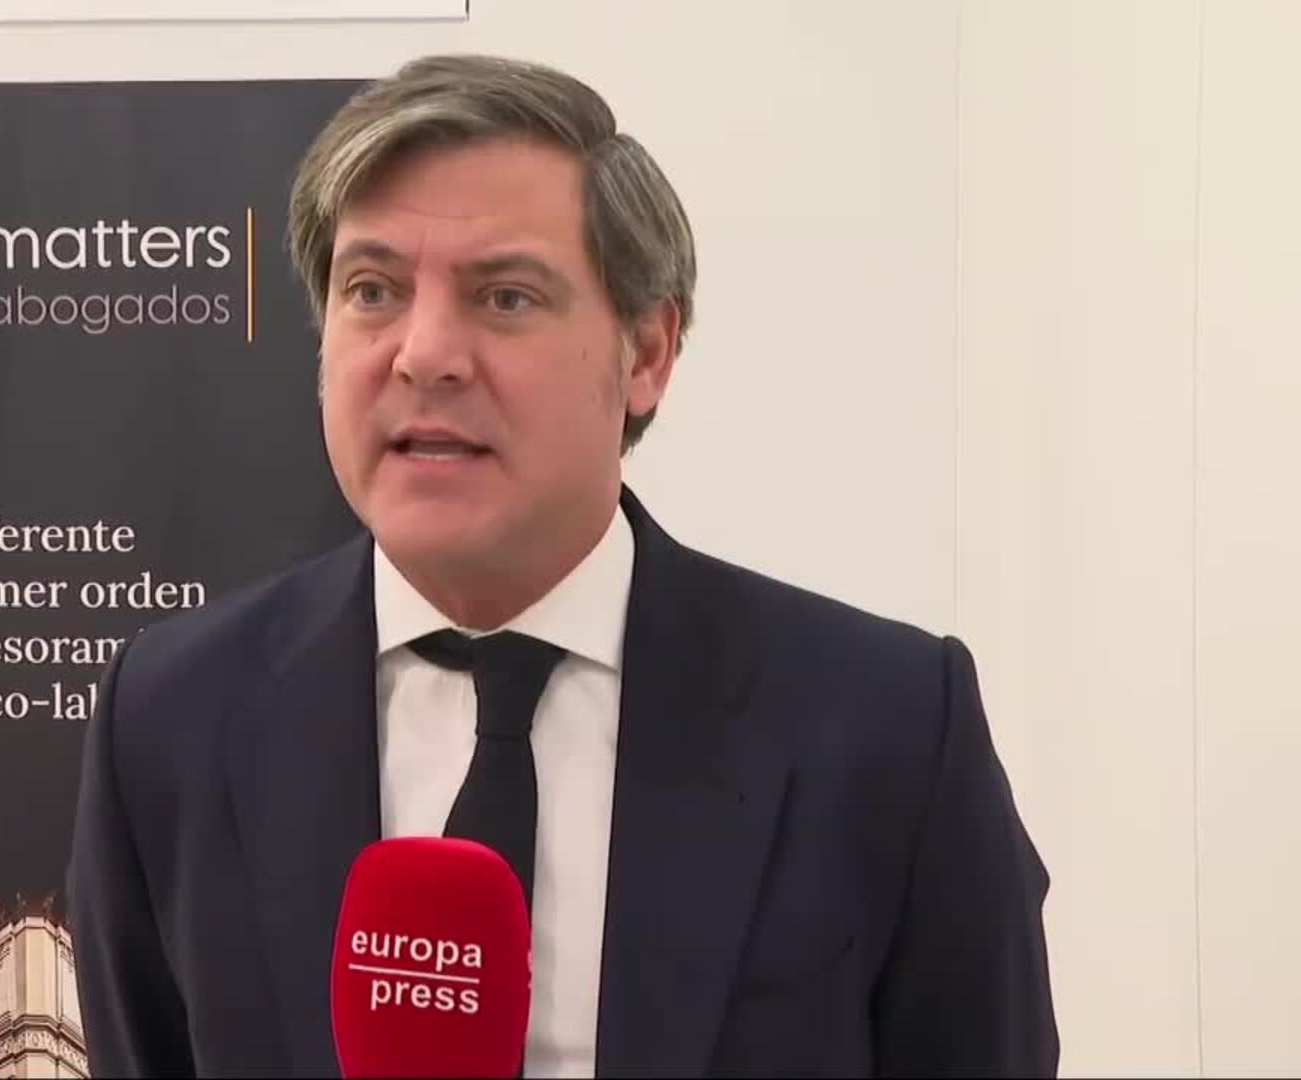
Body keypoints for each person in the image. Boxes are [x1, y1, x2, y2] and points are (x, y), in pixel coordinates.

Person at [67, 53, 1058, 1078]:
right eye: (373, 290)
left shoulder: (890, 729)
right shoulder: (173, 718)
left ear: (647, 353)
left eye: (505, 297)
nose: (424, 354)